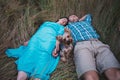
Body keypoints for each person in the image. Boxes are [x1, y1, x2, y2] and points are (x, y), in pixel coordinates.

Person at [66, 14, 120, 80]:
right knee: (89, 76)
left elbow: (88, 15)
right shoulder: (68, 27)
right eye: (71, 16)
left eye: (75, 15)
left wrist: (79, 20)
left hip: (98, 43)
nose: (73, 16)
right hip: (81, 45)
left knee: (114, 72)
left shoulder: (86, 22)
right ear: (68, 20)